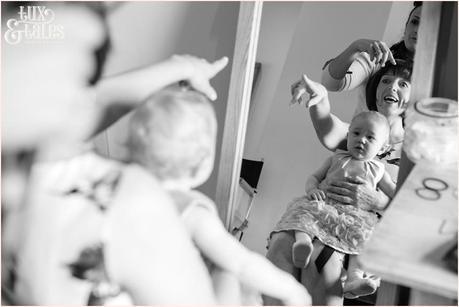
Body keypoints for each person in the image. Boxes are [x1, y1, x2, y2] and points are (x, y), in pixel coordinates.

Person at [2, 1, 230, 305]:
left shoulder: (30, 164)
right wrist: (229, 269)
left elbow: (90, 101)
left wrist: (182, 67)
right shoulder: (127, 200)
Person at [125, 86, 312, 306]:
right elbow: (242, 263)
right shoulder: (191, 210)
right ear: (202, 163)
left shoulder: (121, 188)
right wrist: (291, 289)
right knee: (227, 269)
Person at [266, 59, 412, 305]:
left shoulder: (416, 148)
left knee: (321, 262)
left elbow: (416, 209)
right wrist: (320, 99)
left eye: (403, 83)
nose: (392, 87)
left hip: (360, 229)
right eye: (385, 81)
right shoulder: (357, 132)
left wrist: (379, 200)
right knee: (281, 244)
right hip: (321, 212)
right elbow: (328, 127)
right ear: (375, 92)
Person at [269, 110, 395, 302]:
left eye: (370, 137)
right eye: (356, 133)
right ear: (348, 135)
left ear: (382, 147)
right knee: (302, 217)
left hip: (354, 216)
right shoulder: (337, 158)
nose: (361, 140)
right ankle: (302, 243)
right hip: (324, 206)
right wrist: (312, 189)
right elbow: (314, 177)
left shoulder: (379, 169)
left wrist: (380, 201)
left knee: (360, 239)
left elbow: (397, 195)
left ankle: (355, 278)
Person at [291, 1, 421, 115]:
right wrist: (355, 47)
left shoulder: (438, 79)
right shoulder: (379, 58)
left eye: (425, 24)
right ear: (406, 27)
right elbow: (330, 83)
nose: (417, 29)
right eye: (414, 22)